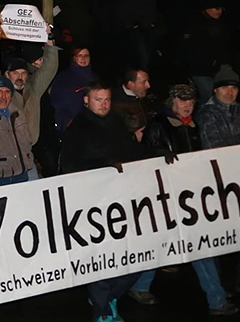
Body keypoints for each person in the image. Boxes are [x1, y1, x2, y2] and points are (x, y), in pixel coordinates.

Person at [129, 83, 237, 315]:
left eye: (190, 101)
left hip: (191, 195)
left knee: (196, 243)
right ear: (172, 102)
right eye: (182, 100)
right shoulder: (158, 125)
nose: (187, 105)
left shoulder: (195, 125)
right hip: (166, 196)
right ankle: (215, 298)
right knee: (172, 242)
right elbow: (142, 158)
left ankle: (215, 296)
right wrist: (158, 154)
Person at [59, 82, 147, 322]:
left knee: (137, 258)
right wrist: (101, 166)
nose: (104, 104)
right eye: (98, 99)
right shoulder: (77, 129)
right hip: (92, 205)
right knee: (101, 260)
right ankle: (103, 310)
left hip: (121, 201)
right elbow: (68, 167)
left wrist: (158, 154)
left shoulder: (117, 122)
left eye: (107, 99)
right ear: (86, 101)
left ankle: (107, 297)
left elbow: (132, 152)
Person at [0, 26, 58, 152]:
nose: (20, 77)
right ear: (7, 74)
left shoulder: (34, 90)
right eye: (15, 73)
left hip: (27, 151)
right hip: (3, 150)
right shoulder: (0, 91)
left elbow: (49, 68)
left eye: (23, 73)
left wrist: (50, 40)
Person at [185, 0, 230, 103]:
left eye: (221, 9)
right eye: (216, 8)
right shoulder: (195, 24)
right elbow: (190, 47)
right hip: (200, 69)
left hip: (218, 68)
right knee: (209, 98)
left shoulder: (222, 25)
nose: (219, 12)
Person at [50, 46, 98, 132]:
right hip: (71, 125)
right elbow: (57, 102)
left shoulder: (95, 78)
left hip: (94, 124)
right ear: (74, 58)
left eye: (86, 55)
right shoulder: (63, 77)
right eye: (80, 55)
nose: (83, 58)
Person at [197, 65, 240, 150]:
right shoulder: (207, 115)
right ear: (215, 90)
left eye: (234, 88)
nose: (229, 93)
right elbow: (213, 147)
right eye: (224, 88)